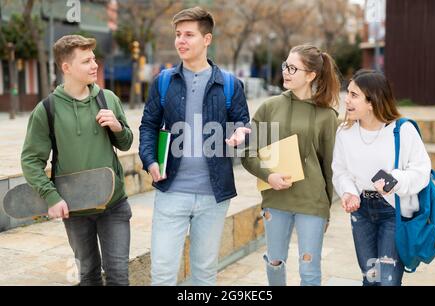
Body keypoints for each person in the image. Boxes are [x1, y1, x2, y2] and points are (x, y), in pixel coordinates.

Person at [139, 7, 250, 286]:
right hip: (171, 191)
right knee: (163, 273)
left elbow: (242, 123)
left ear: (207, 39)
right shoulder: (163, 82)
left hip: (213, 196)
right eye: (178, 34)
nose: (181, 41)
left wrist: (239, 135)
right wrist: (150, 160)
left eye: (189, 34)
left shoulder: (229, 84)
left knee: (204, 274)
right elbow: (148, 126)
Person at [21, 35, 134, 286]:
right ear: (66, 68)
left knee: (118, 276)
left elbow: (126, 143)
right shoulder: (47, 109)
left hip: (113, 206)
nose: (94, 65)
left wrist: (117, 126)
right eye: (86, 61)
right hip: (75, 208)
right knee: (88, 275)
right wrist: (51, 197)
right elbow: (30, 160)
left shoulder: (108, 99)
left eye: (94, 59)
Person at [241, 44, 341, 286]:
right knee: (274, 262)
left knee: (309, 268)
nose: (286, 71)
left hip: (312, 202)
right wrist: (269, 176)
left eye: (293, 68)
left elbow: (330, 167)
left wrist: (326, 208)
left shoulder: (327, 115)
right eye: (286, 65)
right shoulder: (269, 107)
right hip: (275, 200)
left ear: (311, 75)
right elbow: (249, 153)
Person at [332, 69, 431, 286]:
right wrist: (348, 192)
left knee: (388, 280)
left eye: (353, 95)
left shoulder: (402, 130)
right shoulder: (344, 132)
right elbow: (340, 171)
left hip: (393, 211)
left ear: (372, 101)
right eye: (347, 93)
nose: (346, 99)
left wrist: (394, 180)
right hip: (361, 211)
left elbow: (422, 171)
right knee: (370, 277)